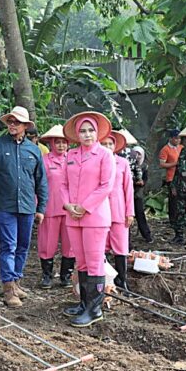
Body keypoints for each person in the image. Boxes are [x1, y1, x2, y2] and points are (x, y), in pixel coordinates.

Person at [0, 106, 48, 307]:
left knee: (23, 246)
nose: (13, 125)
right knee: (8, 245)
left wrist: (41, 208)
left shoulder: (33, 150)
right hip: (4, 205)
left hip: (27, 206)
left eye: (17, 122)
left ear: (25, 126)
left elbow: (41, 180)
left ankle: (16, 281)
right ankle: (8, 288)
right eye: (10, 121)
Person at [60, 112, 114, 327]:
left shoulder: (104, 155)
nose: (87, 134)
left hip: (95, 216)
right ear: (77, 134)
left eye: (91, 130)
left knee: (94, 263)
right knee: (81, 262)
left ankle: (95, 309)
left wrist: (85, 206)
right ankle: (84, 303)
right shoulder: (71, 155)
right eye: (82, 131)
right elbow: (63, 184)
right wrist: (67, 204)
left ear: (97, 132)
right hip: (73, 217)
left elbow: (106, 186)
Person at [36, 125, 75, 289]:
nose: (61, 145)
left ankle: (66, 276)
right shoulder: (44, 160)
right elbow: (38, 184)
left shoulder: (73, 159)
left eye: (64, 142)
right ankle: (47, 276)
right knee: (47, 243)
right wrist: (38, 207)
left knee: (70, 244)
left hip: (70, 209)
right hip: (49, 207)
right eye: (57, 142)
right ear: (51, 143)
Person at [101, 131, 134, 294]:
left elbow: (128, 188)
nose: (107, 147)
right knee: (102, 247)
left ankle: (122, 280)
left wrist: (130, 212)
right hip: (100, 211)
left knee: (121, 247)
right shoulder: (96, 162)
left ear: (115, 146)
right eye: (104, 144)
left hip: (119, 210)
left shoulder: (123, 163)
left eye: (110, 144)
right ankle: (105, 280)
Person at [130, 144, 153, 243]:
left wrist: (141, 182)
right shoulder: (128, 164)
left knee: (140, 215)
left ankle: (147, 236)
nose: (138, 156)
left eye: (140, 154)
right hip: (127, 195)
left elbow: (145, 180)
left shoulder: (144, 166)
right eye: (136, 154)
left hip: (137, 195)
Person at [159, 128, 182, 225]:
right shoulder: (165, 149)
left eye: (179, 138)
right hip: (171, 178)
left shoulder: (181, 147)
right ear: (171, 139)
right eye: (176, 138)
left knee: (181, 199)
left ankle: (180, 218)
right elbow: (162, 164)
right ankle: (172, 220)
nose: (178, 140)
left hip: (182, 177)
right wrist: (175, 164)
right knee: (173, 199)